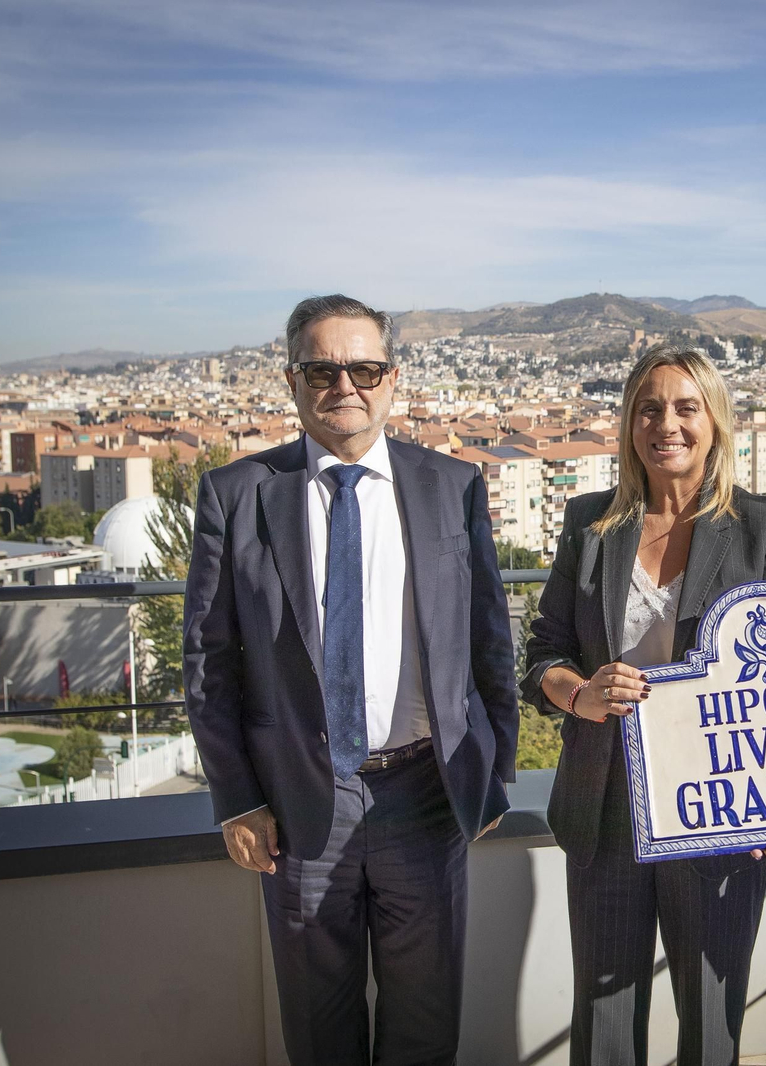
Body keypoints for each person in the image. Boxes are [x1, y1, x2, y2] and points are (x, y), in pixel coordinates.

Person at [183, 294, 517, 1066]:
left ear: (392, 379)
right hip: (300, 802)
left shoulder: (453, 485)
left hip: (427, 793)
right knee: (317, 1025)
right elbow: (208, 661)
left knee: (426, 1022)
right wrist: (238, 797)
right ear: (292, 381)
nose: (345, 386)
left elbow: (488, 639)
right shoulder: (236, 494)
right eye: (322, 370)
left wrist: (491, 770)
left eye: (365, 369)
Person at [522, 344, 766, 1066]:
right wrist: (581, 696)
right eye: (649, 409)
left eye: (686, 408)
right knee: (604, 1021)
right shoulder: (590, 522)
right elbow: (544, 654)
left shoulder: (765, 527)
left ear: (715, 422)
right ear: (629, 424)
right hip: (604, 800)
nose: (666, 425)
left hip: (719, 806)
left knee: (711, 1022)